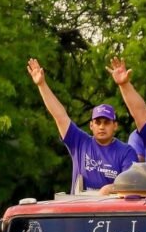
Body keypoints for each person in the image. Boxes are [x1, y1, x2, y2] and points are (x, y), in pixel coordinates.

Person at [27, 58, 136, 194]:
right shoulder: (80, 142)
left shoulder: (126, 152)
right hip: (80, 211)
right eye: (98, 122)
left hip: (110, 211)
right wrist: (42, 84)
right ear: (91, 125)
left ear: (115, 126)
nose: (102, 126)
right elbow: (60, 116)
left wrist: (110, 189)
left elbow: (131, 185)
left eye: (106, 122)